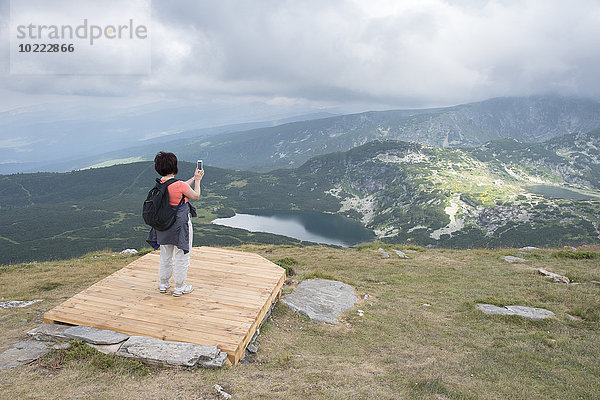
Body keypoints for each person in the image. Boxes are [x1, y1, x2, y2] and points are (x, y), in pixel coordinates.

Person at [146, 151, 204, 297]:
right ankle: (180, 287)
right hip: (179, 225)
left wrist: (193, 177)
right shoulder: (179, 186)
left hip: (163, 225)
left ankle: (164, 284)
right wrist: (198, 181)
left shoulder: (160, 183)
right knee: (182, 254)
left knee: (166, 254)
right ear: (174, 166)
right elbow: (195, 195)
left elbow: (178, 186)